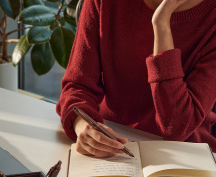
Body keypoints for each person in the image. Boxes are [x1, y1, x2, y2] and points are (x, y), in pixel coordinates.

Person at [57, 0, 216, 159]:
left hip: (186, 159)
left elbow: (177, 127)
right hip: (112, 148)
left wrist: (161, 25)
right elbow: (77, 86)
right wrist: (84, 127)